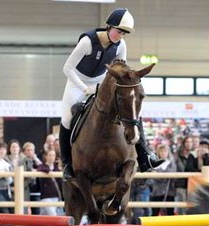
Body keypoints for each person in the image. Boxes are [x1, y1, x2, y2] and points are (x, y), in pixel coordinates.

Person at [59, 7, 163, 180]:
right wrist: (84, 89)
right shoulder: (87, 41)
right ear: (109, 26)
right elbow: (67, 68)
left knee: (132, 111)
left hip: (101, 81)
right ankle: (68, 164)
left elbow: (122, 70)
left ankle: (145, 157)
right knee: (66, 118)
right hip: (77, 81)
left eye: (123, 34)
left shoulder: (121, 45)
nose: (120, 36)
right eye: (118, 31)